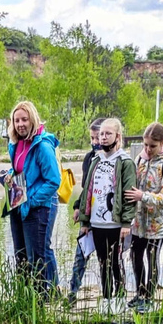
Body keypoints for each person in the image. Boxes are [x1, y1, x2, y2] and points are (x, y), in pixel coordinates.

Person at [78, 118, 136, 305]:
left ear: (117, 136)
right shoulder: (96, 160)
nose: (103, 137)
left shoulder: (125, 162)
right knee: (102, 262)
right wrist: (85, 221)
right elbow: (87, 189)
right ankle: (107, 299)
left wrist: (126, 223)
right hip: (97, 222)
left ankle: (119, 300)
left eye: (108, 134)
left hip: (116, 223)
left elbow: (129, 193)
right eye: (101, 134)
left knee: (116, 263)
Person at [6, 101, 60, 294]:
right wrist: (11, 174)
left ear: (33, 119)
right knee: (21, 254)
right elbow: (22, 168)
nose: (20, 124)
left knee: (37, 256)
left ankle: (42, 298)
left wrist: (32, 200)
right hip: (18, 204)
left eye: (24, 119)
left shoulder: (43, 146)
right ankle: (24, 296)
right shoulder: (16, 144)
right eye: (16, 120)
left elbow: (54, 181)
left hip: (37, 206)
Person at [125, 122, 163, 312]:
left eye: (152, 146)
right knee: (135, 253)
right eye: (145, 144)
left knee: (152, 255)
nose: (148, 149)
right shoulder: (141, 159)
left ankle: (149, 296)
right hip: (140, 218)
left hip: (159, 220)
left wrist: (143, 196)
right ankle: (140, 292)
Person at [67, 117, 105, 304]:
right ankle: (73, 292)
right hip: (87, 216)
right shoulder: (89, 158)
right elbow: (85, 188)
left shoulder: (115, 160)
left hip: (106, 217)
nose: (95, 142)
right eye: (92, 138)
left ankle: (111, 294)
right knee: (80, 256)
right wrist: (77, 208)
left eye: (98, 137)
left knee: (107, 259)